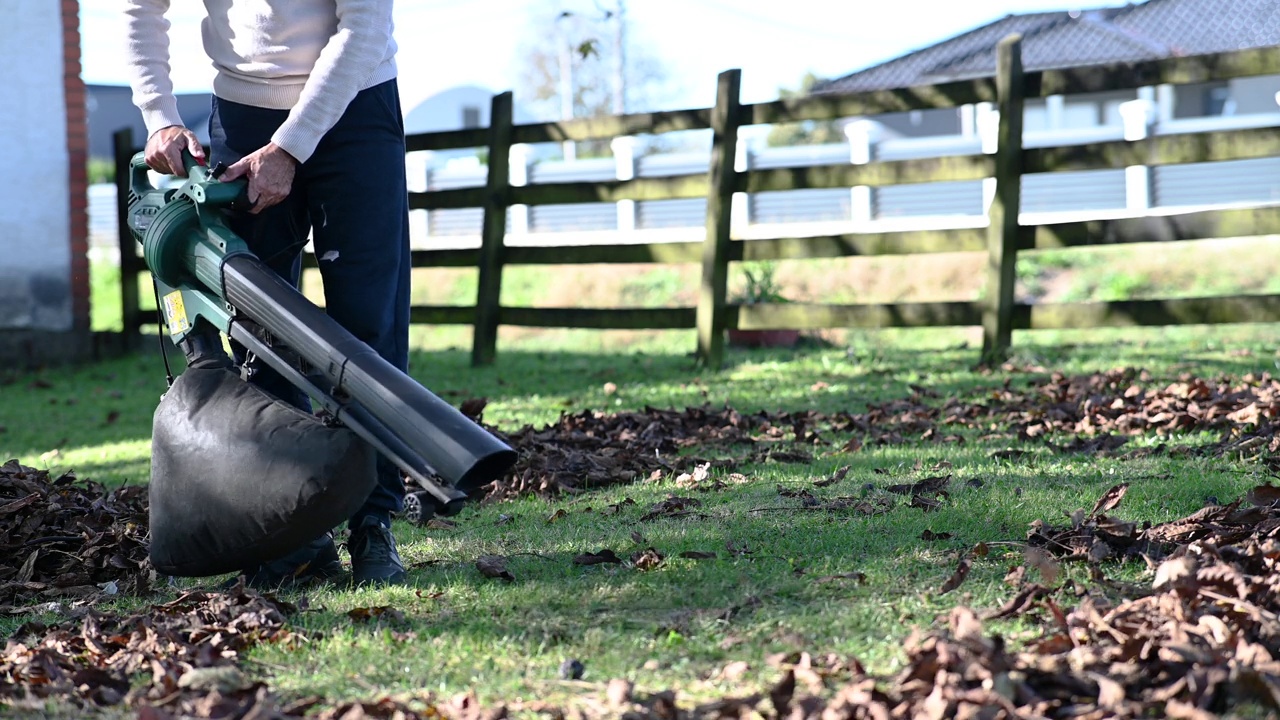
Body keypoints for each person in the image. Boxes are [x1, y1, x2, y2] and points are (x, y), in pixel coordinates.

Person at [124, 0, 411, 587]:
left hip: (355, 105)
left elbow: (365, 26)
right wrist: (159, 116)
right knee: (261, 329)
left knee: (369, 324)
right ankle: (298, 535)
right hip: (244, 110)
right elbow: (139, 10)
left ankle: (374, 525)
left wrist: (290, 147)